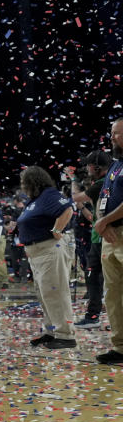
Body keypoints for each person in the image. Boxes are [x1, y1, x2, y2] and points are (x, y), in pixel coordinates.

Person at [17, 166, 76, 349]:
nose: (22, 185)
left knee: (55, 292)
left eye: (24, 182)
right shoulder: (35, 200)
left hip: (50, 249)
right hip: (37, 253)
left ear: (33, 181)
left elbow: (68, 210)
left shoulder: (49, 194)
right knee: (45, 294)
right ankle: (52, 332)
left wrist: (57, 229)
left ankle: (66, 335)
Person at [93, 119, 123, 366]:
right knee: (112, 294)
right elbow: (103, 198)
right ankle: (120, 346)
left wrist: (105, 222)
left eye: (116, 134)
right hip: (110, 237)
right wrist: (101, 222)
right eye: (111, 133)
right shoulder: (114, 167)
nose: (111, 138)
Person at [74, 150, 111, 328]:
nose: (87, 168)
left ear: (96, 167)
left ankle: (93, 316)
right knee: (95, 277)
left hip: (102, 238)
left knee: (95, 277)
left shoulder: (102, 184)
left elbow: (77, 198)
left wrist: (73, 180)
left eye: (89, 165)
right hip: (100, 237)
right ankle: (94, 316)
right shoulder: (107, 182)